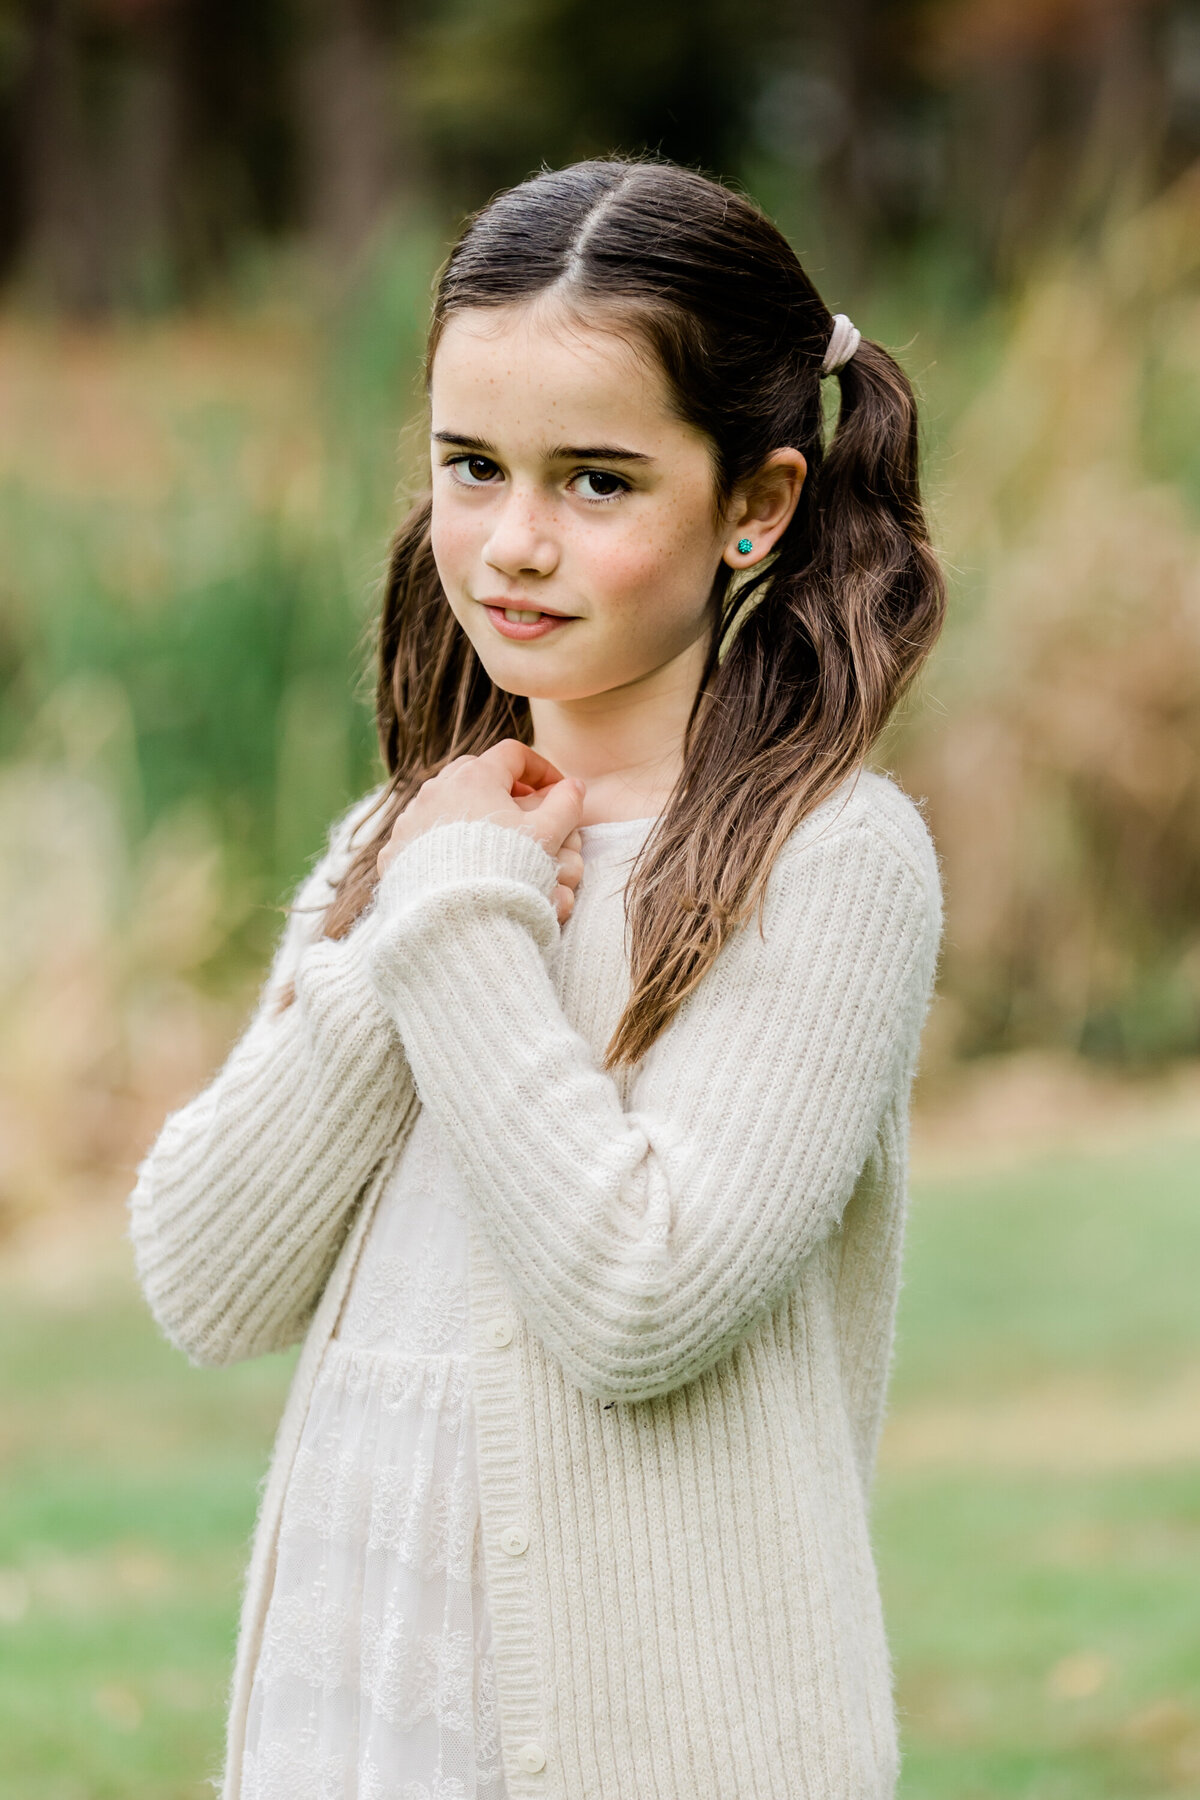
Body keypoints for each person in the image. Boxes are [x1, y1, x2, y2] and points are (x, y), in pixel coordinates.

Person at [128, 154, 947, 1800]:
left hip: (652, 1736)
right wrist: (426, 906)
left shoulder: (830, 861)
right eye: (469, 466)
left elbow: (637, 1297)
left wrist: (450, 925)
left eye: (595, 482)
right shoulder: (414, 841)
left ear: (758, 504)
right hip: (362, 1698)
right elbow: (205, 1279)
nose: (511, 544)